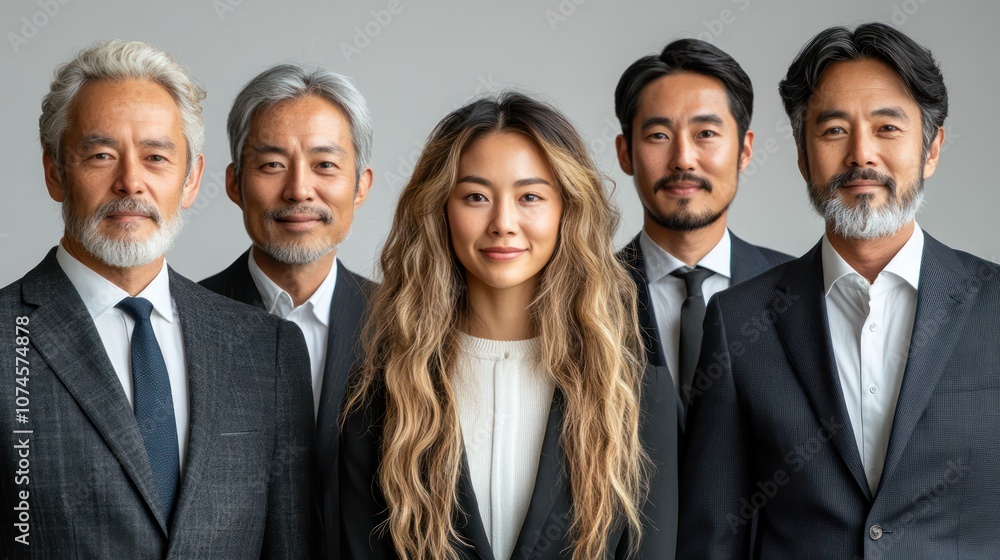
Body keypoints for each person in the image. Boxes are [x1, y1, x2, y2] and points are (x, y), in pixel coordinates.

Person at [677, 23, 1000, 559]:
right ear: (802, 156)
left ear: (932, 148)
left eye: (887, 128)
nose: (860, 155)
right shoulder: (739, 321)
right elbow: (714, 538)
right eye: (833, 131)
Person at [0, 40, 315, 557]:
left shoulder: (267, 349)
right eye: (101, 155)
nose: (131, 182)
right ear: (56, 172)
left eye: (156, 157)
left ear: (190, 179)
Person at [337, 92, 677, 559]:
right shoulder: (381, 392)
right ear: (441, 210)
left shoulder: (637, 390)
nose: (503, 222)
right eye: (476, 196)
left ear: (567, 210)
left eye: (530, 197)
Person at [199, 63, 374, 555]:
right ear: (234, 183)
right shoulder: (180, 323)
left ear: (361, 186)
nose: (299, 190)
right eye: (272, 164)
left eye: (325, 165)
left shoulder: (407, 324)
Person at [613, 39, 791, 422]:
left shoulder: (801, 289)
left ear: (745, 150)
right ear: (625, 152)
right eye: (658, 135)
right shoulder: (582, 292)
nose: (682, 159)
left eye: (706, 134)